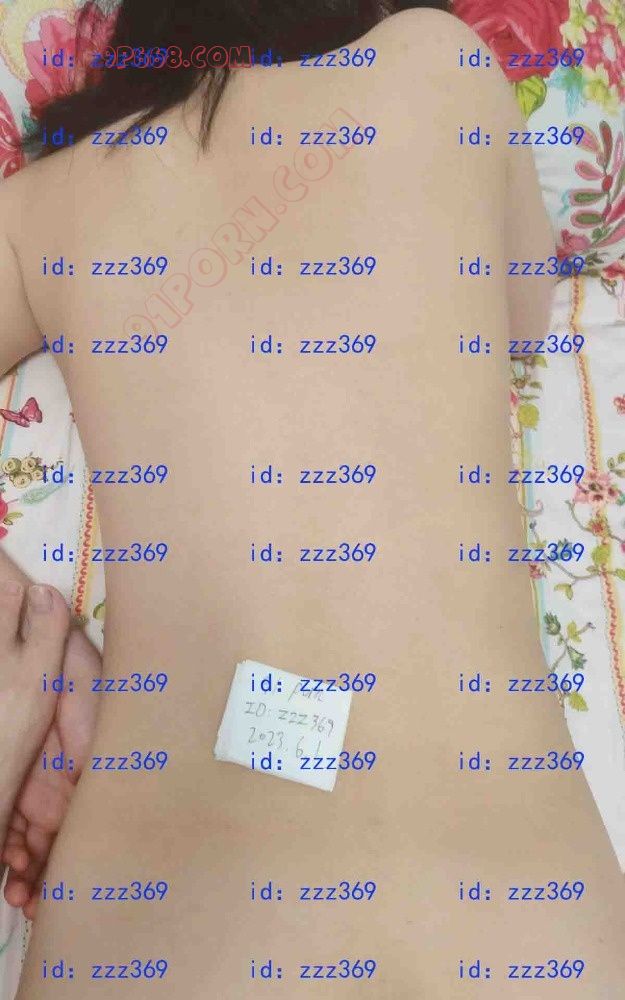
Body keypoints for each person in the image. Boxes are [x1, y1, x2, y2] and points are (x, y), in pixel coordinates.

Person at [1, 1, 625, 997]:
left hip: (162, 917)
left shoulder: (45, 207)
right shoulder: (435, 61)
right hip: (511, 907)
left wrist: (32, 628)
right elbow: (523, 311)